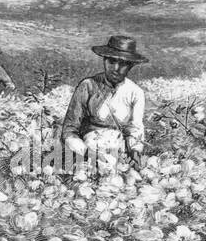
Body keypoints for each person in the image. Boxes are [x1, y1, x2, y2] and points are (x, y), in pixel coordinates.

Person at [59, 34, 148, 177]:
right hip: (86, 154)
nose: (116, 68)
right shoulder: (87, 86)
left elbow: (135, 129)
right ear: (104, 60)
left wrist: (135, 151)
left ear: (130, 66)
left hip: (120, 155)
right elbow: (69, 130)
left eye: (123, 64)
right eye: (112, 61)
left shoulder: (135, 93)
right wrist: (87, 153)